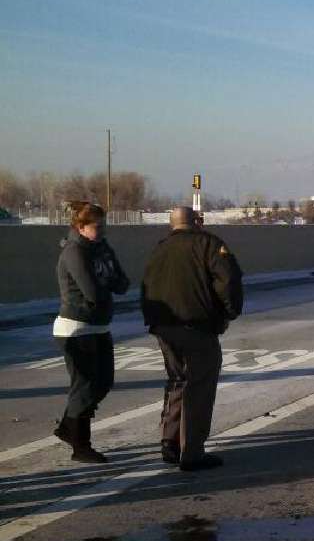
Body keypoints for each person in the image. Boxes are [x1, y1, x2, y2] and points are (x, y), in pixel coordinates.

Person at [141, 207, 243, 471]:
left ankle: (169, 441)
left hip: (164, 327)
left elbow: (147, 285)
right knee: (199, 387)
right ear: (196, 222)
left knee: (177, 381)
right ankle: (192, 451)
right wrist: (229, 312)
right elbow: (228, 280)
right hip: (197, 327)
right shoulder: (209, 244)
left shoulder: (159, 248)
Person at [52, 201, 129, 463]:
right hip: (76, 328)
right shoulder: (74, 252)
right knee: (84, 387)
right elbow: (92, 292)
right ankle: (80, 446)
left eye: (104, 225)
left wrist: (108, 283)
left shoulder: (102, 248)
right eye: (98, 227)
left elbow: (123, 283)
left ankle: (67, 428)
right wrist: (108, 283)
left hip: (99, 325)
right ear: (81, 227)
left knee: (104, 382)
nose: (103, 231)